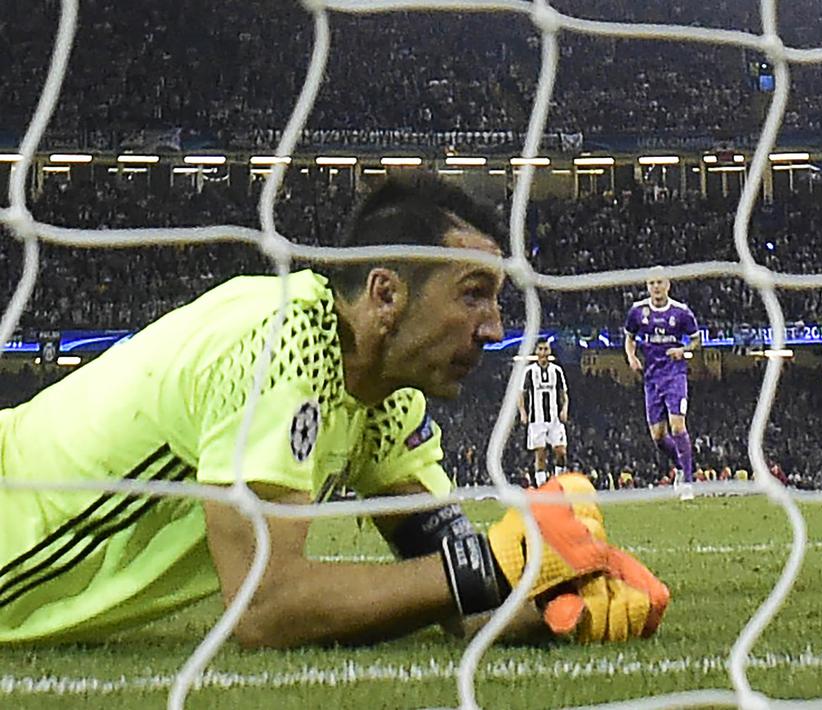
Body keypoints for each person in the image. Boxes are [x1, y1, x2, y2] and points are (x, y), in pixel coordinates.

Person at [0, 175, 667, 646]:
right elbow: (265, 609)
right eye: (473, 295)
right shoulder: (277, 340)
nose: (494, 328)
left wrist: (561, 596)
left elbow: (451, 580)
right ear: (385, 295)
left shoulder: (382, 392)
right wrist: (495, 566)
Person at [623, 271, 701, 500]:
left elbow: (696, 339)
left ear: (668, 284)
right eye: (651, 283)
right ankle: (679, 465)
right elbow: (629, 337)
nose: (655, 287)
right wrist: (631, 357)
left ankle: (687, 482)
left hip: (675, 375)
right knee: (658, 436)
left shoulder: (681, 312)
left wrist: (683, 350)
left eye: (659, 282)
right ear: (647, 286)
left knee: (678, 427)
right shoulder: (638, 312)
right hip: (651, 377)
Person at [518, 339, 569, 487]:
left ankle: (558, 482)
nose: (543, 352)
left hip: (554, 419)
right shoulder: (529, 372)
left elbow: (563, 393)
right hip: (536, 420)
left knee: (561, 451)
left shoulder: (557, 371)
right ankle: (542, 487)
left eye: (546, 349)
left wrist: (564, 409)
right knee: (540, 455)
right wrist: (523, 412)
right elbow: (521, 394)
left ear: (550, 351)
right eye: (540, 349)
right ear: (536, 352)